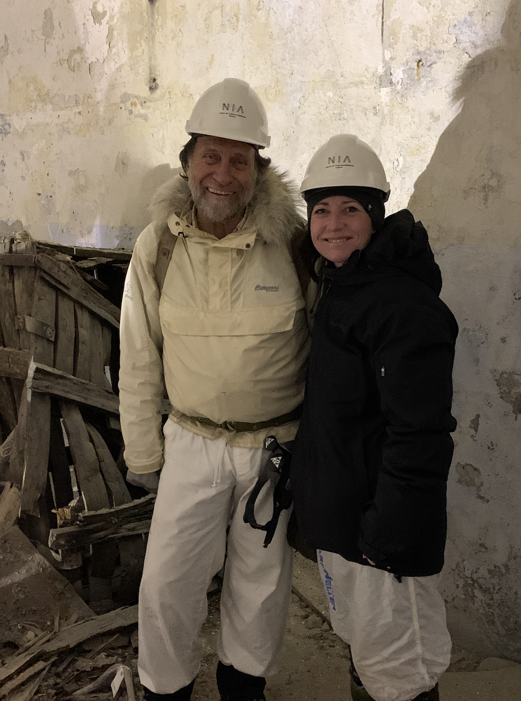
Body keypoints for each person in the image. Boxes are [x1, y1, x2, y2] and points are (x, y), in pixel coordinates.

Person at [118, 79, 310, 701]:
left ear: (259, 170)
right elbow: (138, 355)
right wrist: (143, 454)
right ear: (187, 161)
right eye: (211, 156)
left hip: (274, 449)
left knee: (260, 588)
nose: (222, 174)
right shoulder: (158, 246)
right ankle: (165, 689)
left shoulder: (295, 247)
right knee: (167, 584)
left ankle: (243, 689)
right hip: (190, 443)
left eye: (239, 159)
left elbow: (329, 350)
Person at [290, 134, 458, 701]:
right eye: (321, 210)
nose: (334, 223)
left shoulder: (401, 303)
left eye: (351, 209)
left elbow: (420, 432)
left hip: (381, 538)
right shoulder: (344, 285)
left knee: (401, 674)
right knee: (369, 659)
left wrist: (388, 534)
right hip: (348, 527)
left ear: (376, 214)